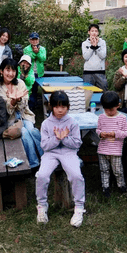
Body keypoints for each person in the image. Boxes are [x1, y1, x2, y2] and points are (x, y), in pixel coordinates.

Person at [36, 90, 86, 227]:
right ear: (51, 106)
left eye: (63, 107)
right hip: (50, 154)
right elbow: (45, 146)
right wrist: (57, 138)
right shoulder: (46, 123)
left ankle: (79, 207)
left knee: (76, 175)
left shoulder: (73, 123)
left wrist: (65, 138)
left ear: (68, 107)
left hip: (69, 153)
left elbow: (77, 144)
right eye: (57, 106)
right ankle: (41, 205)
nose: (60, 110)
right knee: (42, 176)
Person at [0, 58, 43, 168]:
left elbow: (24, 105)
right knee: (25, 133)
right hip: (9, 118)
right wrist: (12, 102)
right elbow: (4, 109)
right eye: (7, 70)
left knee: (32, 131)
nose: (10, 73)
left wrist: (19, 100)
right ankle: (34, 163)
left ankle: (45, 156)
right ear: (1, 71)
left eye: (13, 70)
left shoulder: (20, 83)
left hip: (23, 114)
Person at [96, 91, 127, 198]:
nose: (109, 112)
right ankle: (105, 187)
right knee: (104, 170)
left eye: (111, 109)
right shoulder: (101, 117)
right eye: (106, 110)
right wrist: (101, 134)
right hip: (103, 149)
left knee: (118, 170)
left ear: (118, 106)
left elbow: (126, 133)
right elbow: (98, 130)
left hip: (115, 151)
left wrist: (115, 134)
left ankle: (121, 186)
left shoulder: (122, 118)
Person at [23, 32, 47, 110]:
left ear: (38, 40)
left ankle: (39, 105)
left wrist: (38, 52)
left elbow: (43, 58)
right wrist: (35, 52)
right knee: (31, 89)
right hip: (30, 73)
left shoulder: (42, 49)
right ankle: (31, 106)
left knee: (39, 89)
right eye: (32, 39)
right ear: (29, 40)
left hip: (39, 73)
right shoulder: (26, 49)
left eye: (36, 39)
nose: (34, 41)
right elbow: (28, 58)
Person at [81, 23, 108, 91]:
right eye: (92, 31)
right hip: (88, 72)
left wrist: (96, 47)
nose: (94, 33)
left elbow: (103, 56)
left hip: (100, 72)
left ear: (98, 32)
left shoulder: (102, 42)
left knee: (103, 91)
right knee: (87, 93)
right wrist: (92, 47)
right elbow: (85, 57)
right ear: (89, 32)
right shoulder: (84, 43)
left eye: (96, 31)